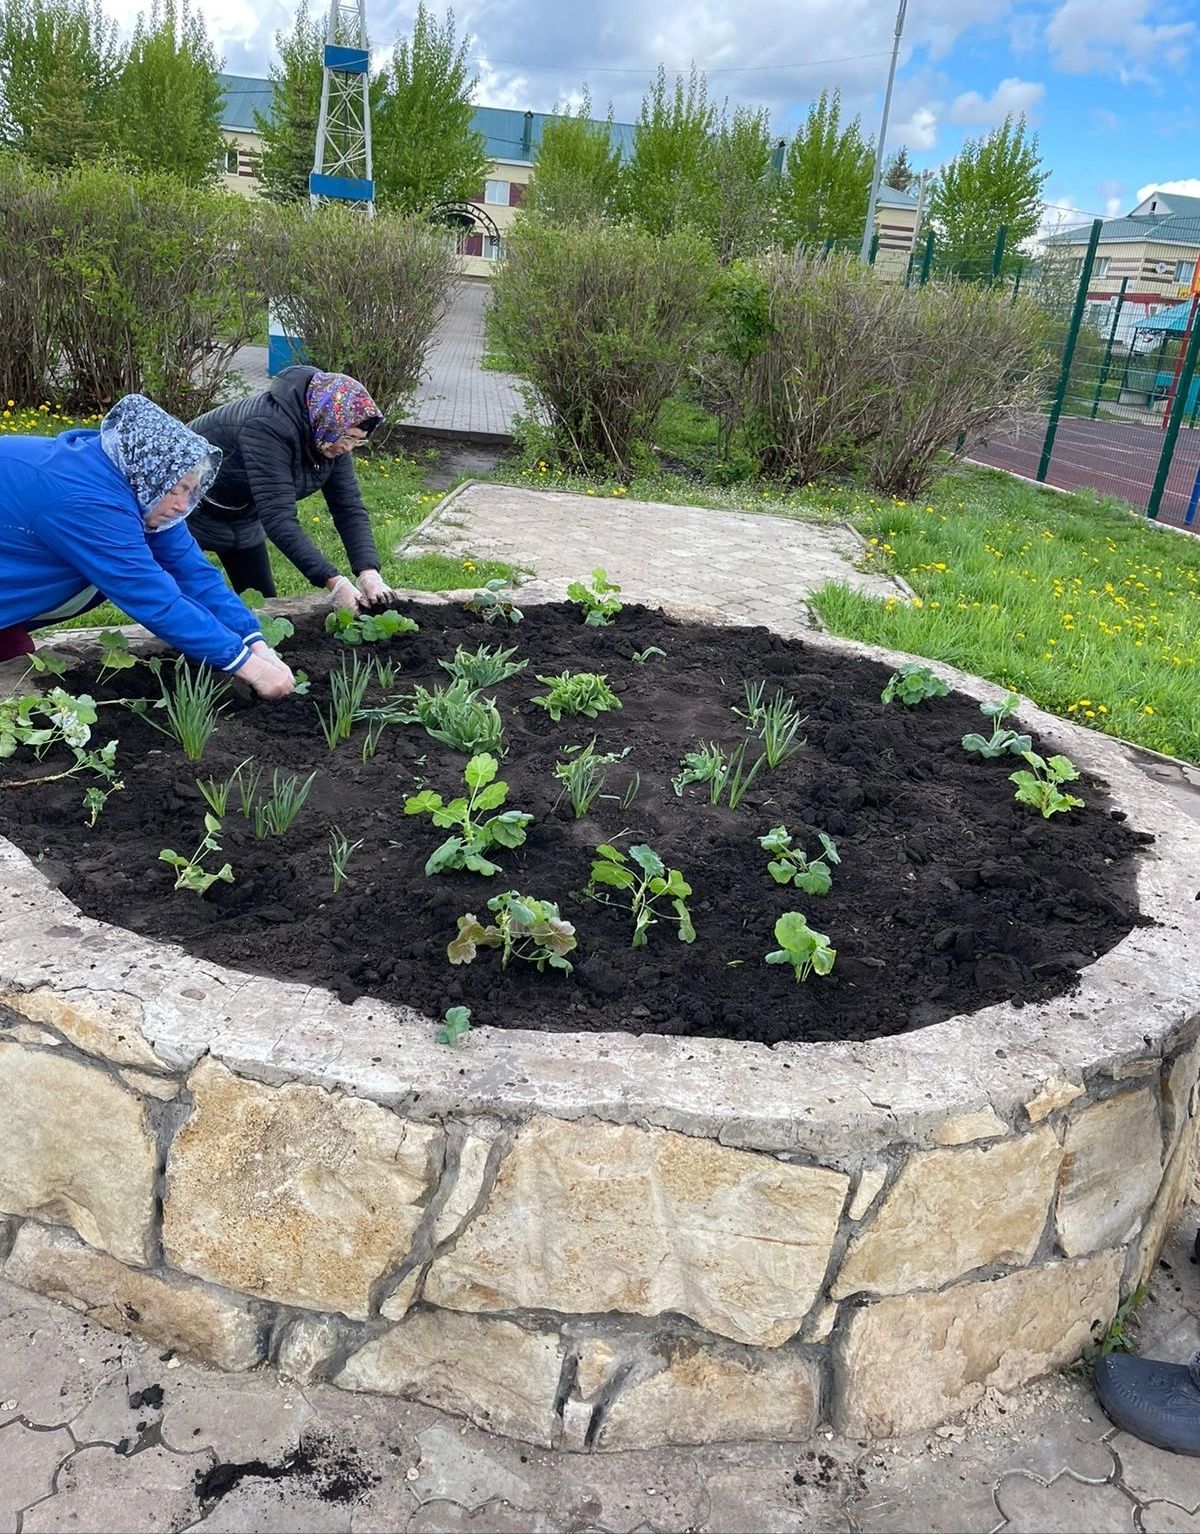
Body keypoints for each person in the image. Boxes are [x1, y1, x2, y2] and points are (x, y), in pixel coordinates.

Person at [0, 394, 295, 698]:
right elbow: (152, 597)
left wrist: (255, 641)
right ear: (152, 472)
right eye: (177, 489)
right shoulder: (89, 502)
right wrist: (250, 668)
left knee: (18, 666)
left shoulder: (140, 487)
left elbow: (195, 574)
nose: (182, 506)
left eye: (190, 491)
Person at [188, 366, 398, 611]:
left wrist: (368, 571)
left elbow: (348, 507)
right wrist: (335, 582)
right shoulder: (267, 427)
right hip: (187, 508)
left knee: (263, 606)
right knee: (190, 605)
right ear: (330, 421)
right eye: (349, 437)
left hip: (242, 512)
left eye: (358, 440)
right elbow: (279, 517)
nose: (349, 448)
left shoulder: (330, 434)